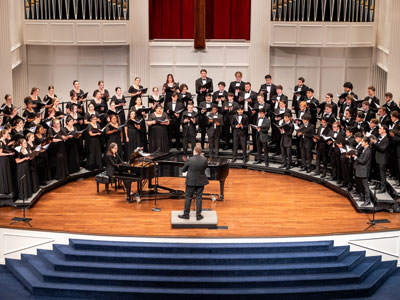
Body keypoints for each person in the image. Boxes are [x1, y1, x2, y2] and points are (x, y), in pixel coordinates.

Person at [178, 146, 209, 221]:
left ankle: (186, 215)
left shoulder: (190, 159)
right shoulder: (204, 159)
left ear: (194, 151)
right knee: (199, 198)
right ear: (200, 152)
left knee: (188, 197)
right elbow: (205, 167)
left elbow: (183, 170)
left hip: (191, 182)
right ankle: (198, 215)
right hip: (201, 181)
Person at [353, 136, 372, 206]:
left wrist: (356, 158)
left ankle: (367, 200)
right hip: (361, 170)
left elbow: (363, 161)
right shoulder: (364, 149)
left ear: (366, 143)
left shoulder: (368, 151)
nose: (361, 143)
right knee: (361, 185)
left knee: (365, 186)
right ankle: (362, 197)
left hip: (364, 170)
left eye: (362, 142)